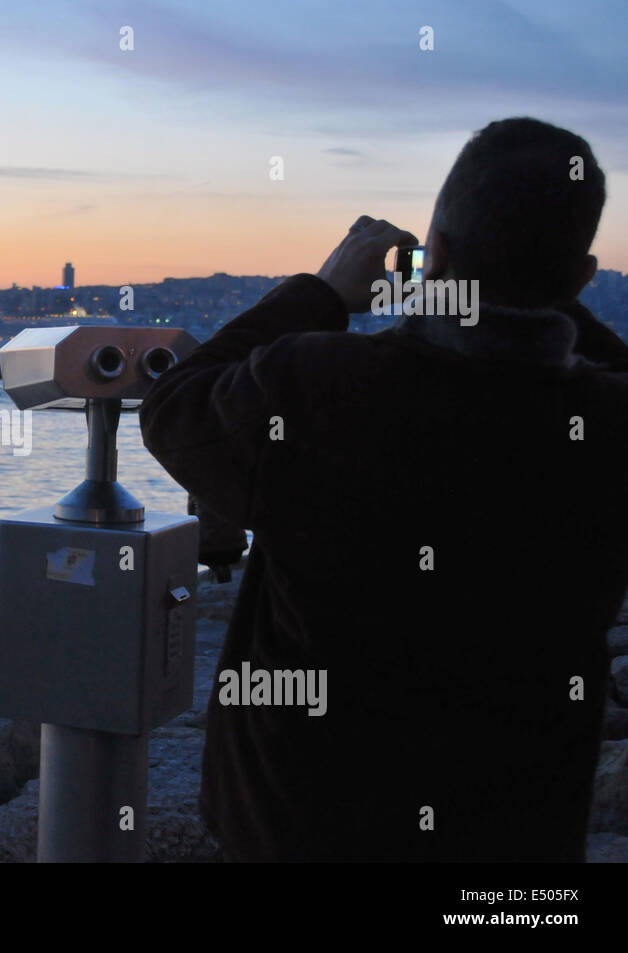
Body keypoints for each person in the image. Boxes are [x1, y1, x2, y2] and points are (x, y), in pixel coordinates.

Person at [140, 117, 628, 862]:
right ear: (580, 277)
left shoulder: (321, 387)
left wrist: (322, 290)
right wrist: (542, 289)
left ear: (433, 247)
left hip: (303, 829)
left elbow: (175, 407)